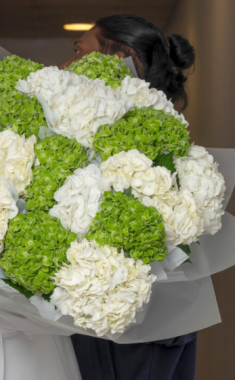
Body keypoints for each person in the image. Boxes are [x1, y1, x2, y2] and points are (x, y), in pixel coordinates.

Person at [60, 14, 197, 380]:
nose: (66, 64)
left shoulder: (150, 145)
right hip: (123, 322)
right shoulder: (90, 133)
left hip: (139, 330)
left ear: (117, 59)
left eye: (78, 51)